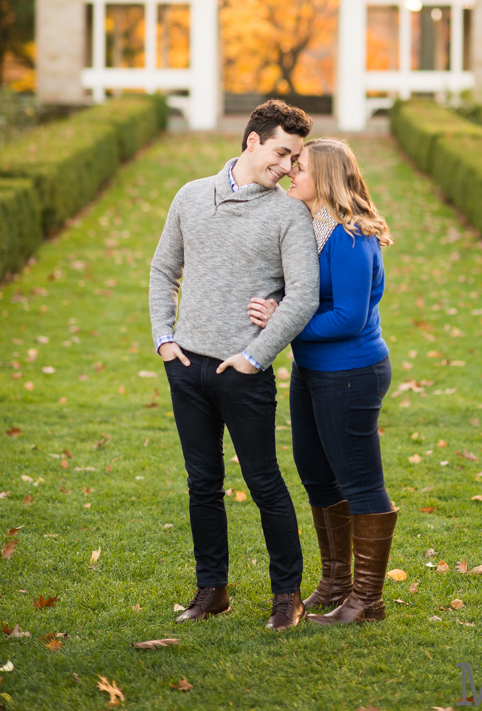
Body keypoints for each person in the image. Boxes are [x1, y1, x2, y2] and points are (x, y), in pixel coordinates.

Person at [149, 99, 320, 631]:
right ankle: (211, 590)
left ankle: (286, 596)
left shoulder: (289, 213)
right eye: (282, 153)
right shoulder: (191, 196)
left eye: (295, 159)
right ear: (252, 141)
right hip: (187, 368)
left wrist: (255, 355)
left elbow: (304, 296)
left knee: (265, 482)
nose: (289, 168)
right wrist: (163, 340)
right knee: (202, 483)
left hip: (245, 373)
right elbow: (163, 269)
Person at [248, 137, 396, 625]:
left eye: (301, 166)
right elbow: (301, 296)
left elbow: (349, 318)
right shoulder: (314, 227)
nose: (292, 171)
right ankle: (336, 581)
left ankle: (367, 599)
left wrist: (280, 324)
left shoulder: (351, 237)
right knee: (314, 471)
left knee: (360, 482)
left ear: (327, 177)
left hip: (351, 374)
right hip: (313, 372)